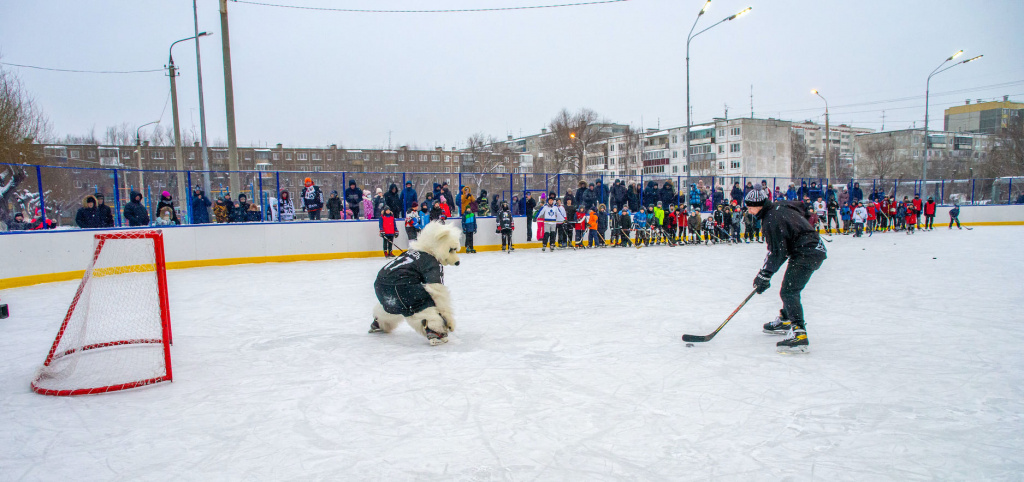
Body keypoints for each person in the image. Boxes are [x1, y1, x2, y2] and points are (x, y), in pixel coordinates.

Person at [746, 188, 826, 355]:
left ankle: (799, 334)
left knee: (789, 291)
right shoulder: (780, 206)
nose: (749, 210)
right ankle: (786, 318)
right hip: (811, 248)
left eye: (751, 207)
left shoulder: (771, 219)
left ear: (759, 205)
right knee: (789, 286)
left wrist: (764, 275)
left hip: (807, 252)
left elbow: (778, 251)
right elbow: (801, 207)